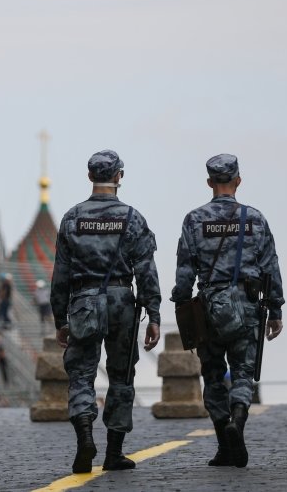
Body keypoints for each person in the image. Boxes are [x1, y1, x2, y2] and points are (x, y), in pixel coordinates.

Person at [170, 154, 284, 469]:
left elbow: (184, 270)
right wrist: (275, 309)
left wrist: (181, 302)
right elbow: (270, 267)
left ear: (209, 183)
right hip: (247, 306)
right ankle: (239, 422)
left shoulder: (194, 220)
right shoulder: (256, 219)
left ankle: (224, 440)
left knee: (213, 375)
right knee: (244, 373)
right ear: (238, 181)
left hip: (208, 308)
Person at [51, 149, 161, 474]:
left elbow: (60, 275)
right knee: (121, 375)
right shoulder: (132, 217)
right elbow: (146, 272)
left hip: (83, 301)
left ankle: (85, 437)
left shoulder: (72, 218)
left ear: (90, 177)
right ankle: (114, 453)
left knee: (82, 375)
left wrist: (60, 320)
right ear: (119, 177)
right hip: (122, 302)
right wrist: (153, 314)